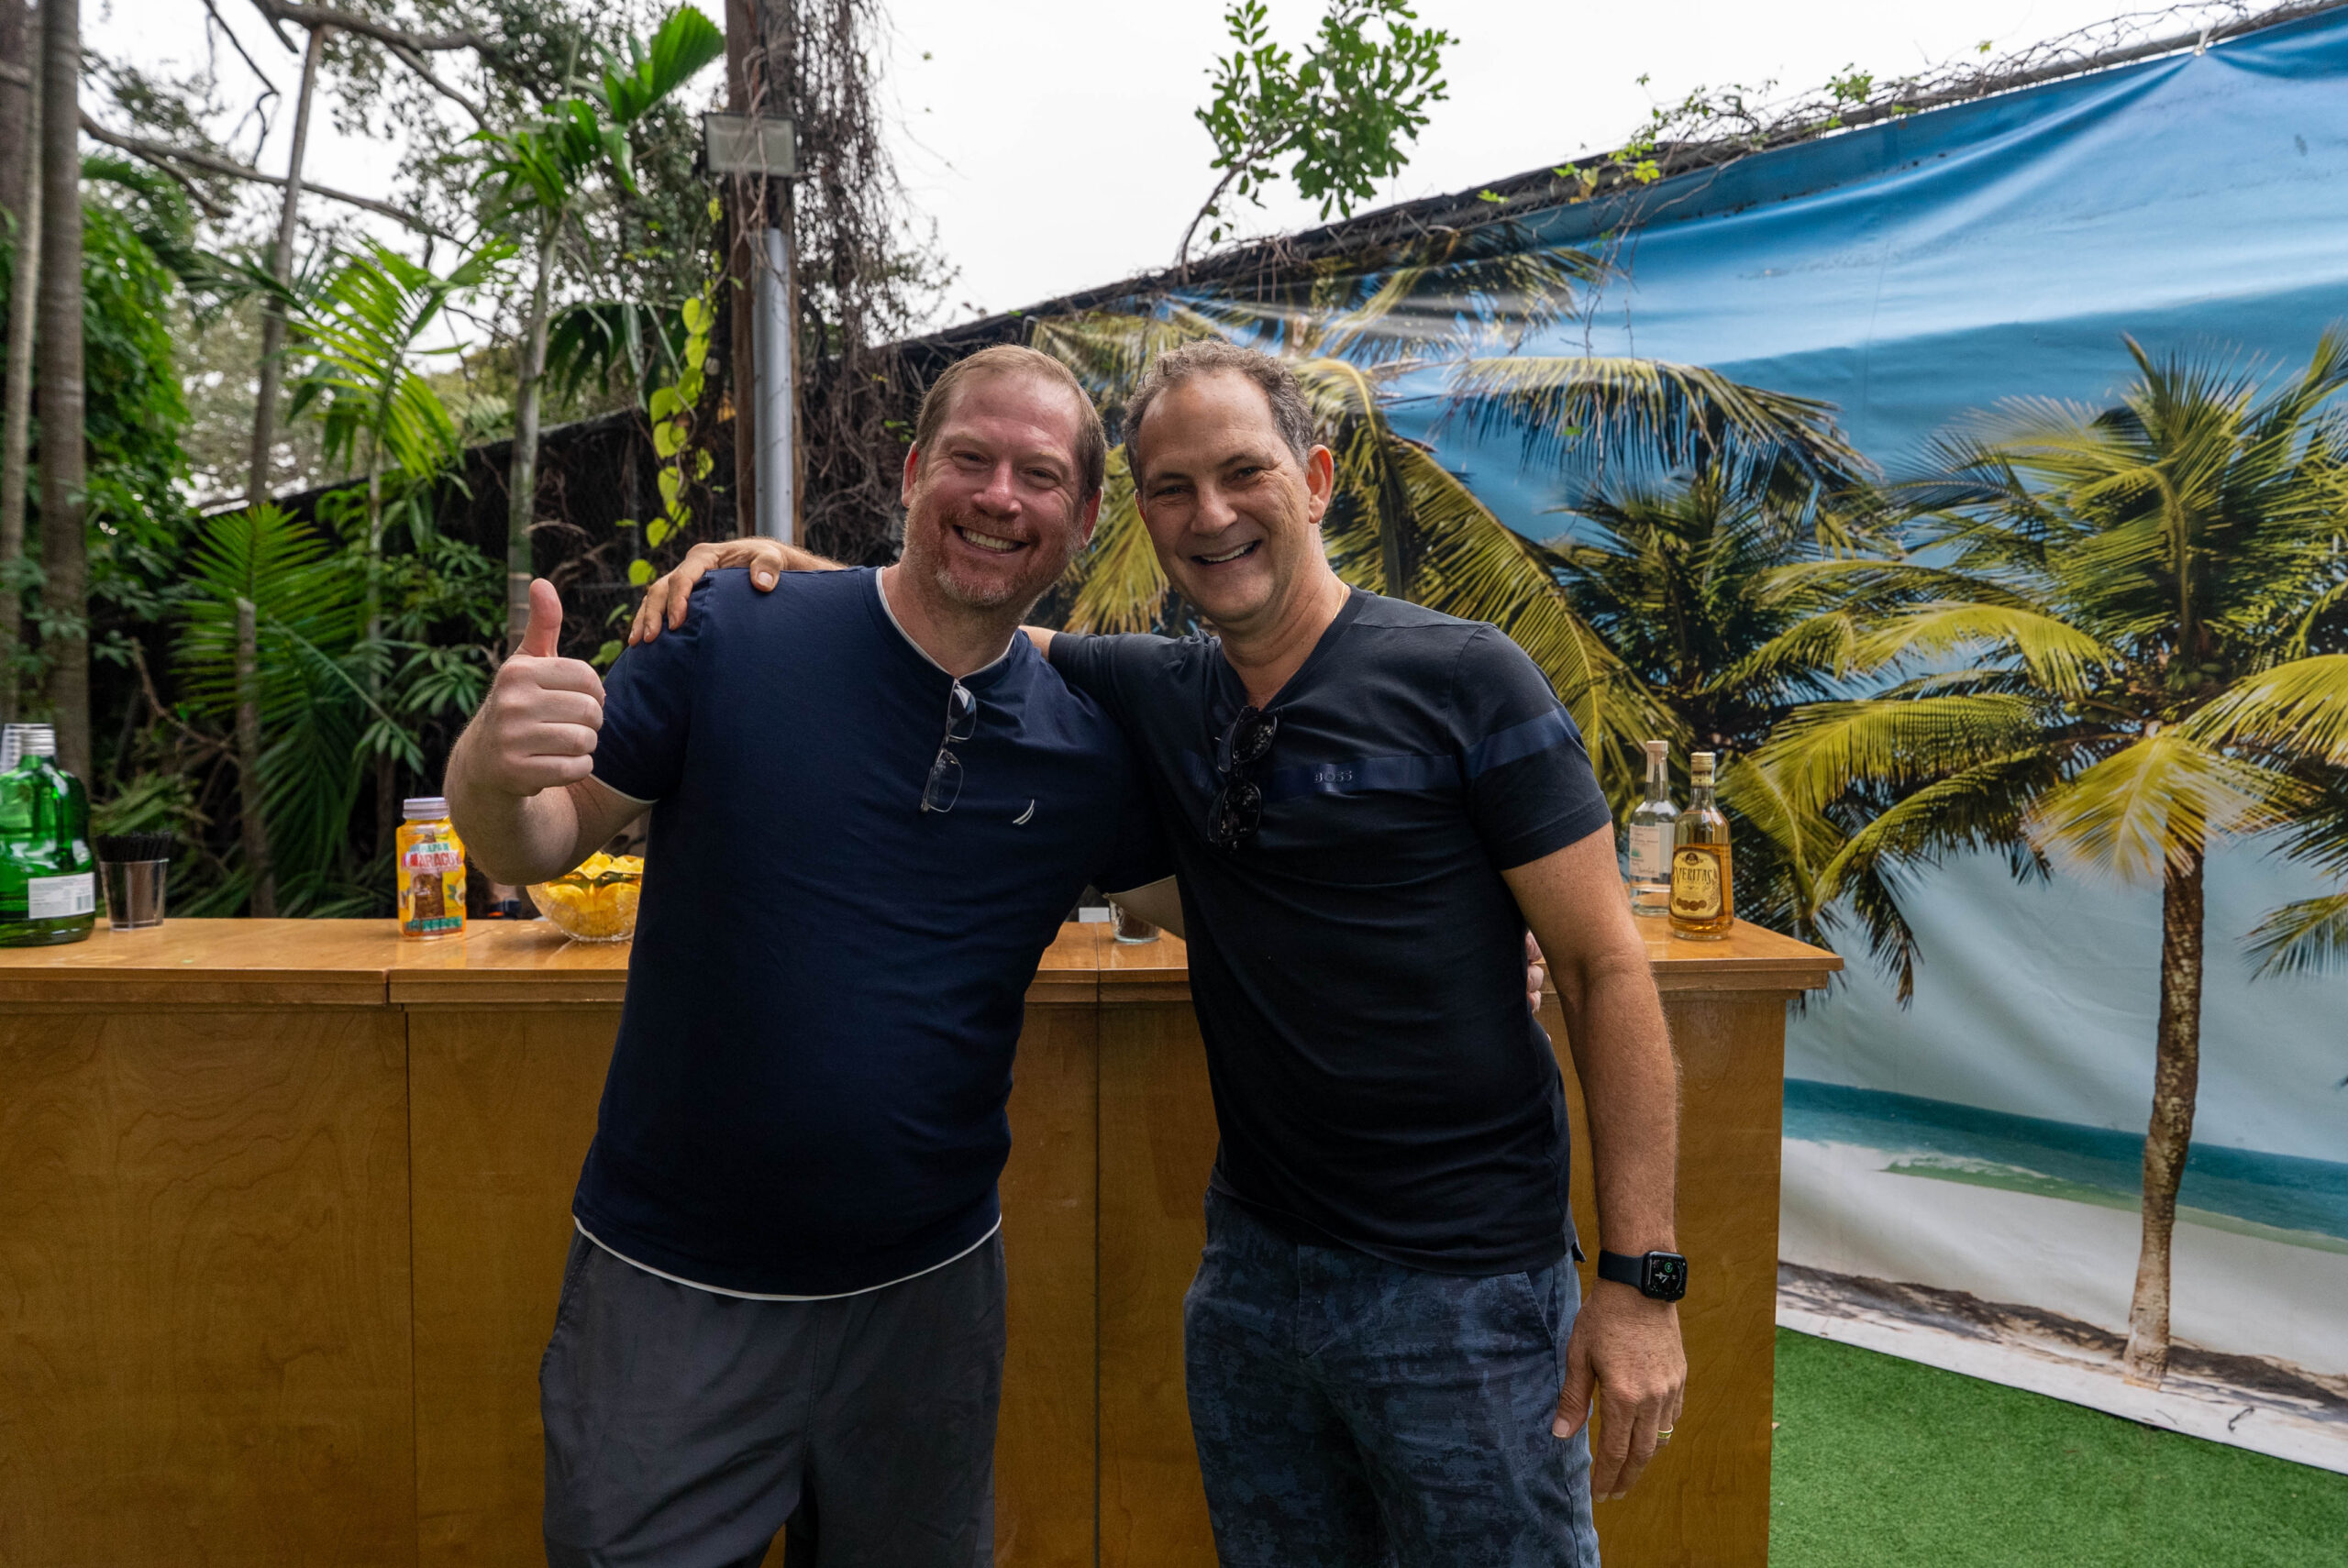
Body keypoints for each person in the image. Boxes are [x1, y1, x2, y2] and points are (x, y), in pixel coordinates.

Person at [637, 340, 1689, 1565]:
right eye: (1172, 487)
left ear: (1315, 480)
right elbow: (962, 619)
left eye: (1244, 473)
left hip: (1468, 1294)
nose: (1212, 514)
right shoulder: (1159, 688)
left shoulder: (1467, 681)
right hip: (1252, 1281)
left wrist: (1641, 1281)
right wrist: (779, 571)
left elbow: (1605, 969)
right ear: (1138, 516)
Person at [443, 345, 1174, 1568]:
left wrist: (1458, 918)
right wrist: (489, 764)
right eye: (971, 458)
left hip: (928, 1306)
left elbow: (1233, 908)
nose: (1000, 495)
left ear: (1087, 515)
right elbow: (544, 837)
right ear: (912, 471)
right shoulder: (736, 629)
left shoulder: (1084, 750)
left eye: (1040, 475)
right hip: (673, 1290)